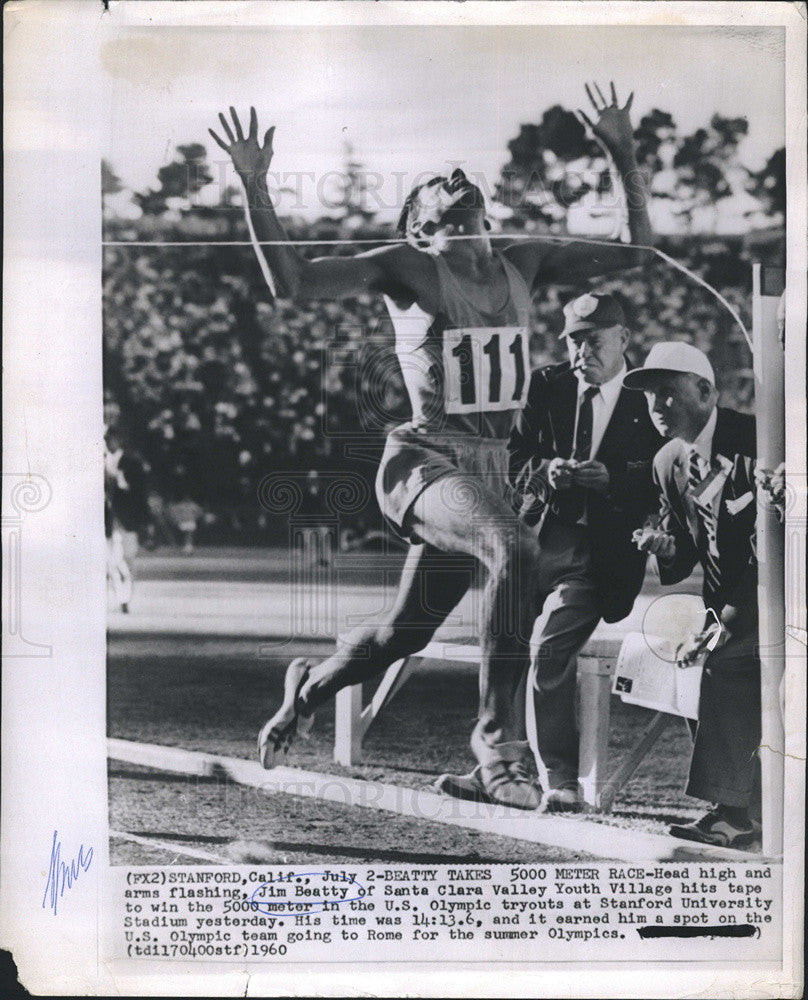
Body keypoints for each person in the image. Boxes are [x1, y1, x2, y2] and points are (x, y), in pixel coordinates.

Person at [209, 82, 653, 809]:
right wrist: (255, 184)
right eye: (431, 189)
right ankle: (497, 752)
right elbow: (290, 284)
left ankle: (306, 690)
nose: (451, 178)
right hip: (422, 460)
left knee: (400, 634)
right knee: (517, 548)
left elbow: (636, 256)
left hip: (490, 473)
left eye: (462, 182)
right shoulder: (409, 267)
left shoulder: (524, 259)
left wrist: (622, 155)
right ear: (419, 226)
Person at [437, 292, 664, 811]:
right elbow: (513, 459)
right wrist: (544, 473)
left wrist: (614, 482)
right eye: (575, 341)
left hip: (598, 558)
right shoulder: (547, 384)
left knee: (549, 647)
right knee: (502, 642)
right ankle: (501, 768)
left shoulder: (646, 397)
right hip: (536, 542)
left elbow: (660, 477)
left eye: (595, 340)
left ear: (624, 339)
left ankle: (559, 778)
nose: (583, 351)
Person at [625, 342, 769, 848]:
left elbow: (773, 544)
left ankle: (731, 812)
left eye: (667, 392)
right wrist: (665, 547)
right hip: (726, 603)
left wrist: (727, 620)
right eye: (649, 397)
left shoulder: (759, 440)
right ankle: (742, 804)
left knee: (721, 658)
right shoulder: (668, 461)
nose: (657, 406)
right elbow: (687, 554)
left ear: (705, 391)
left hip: (779, 595)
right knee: (690, 658)